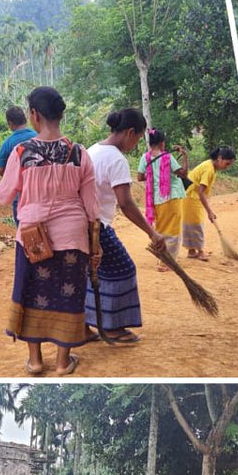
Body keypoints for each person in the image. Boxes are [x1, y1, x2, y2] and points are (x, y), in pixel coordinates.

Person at [0, 86, 100, 376]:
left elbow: (4, 195)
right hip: (72, 235)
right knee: (69, 293)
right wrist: (96, 242)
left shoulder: (22, 152)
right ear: (60, 115)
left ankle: (36, 361)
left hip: (32, 237)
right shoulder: (79, 153)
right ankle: (64, 362)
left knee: (31, 292)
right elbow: (92, 206)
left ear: (34, 115)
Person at [85, 108, 167, 345]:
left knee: (93, 273)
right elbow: (126, 203)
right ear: (130, 132)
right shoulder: (116, 159)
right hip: (99, 226)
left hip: (85, 223)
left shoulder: (93, 150)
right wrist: (151, 232)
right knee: (123, 270)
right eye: (138, 139)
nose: (135, 145)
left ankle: (85, 324)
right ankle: (111, 328)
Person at [137, 127, 188, 267]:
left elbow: (140, 177)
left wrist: (153, 176)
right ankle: (167, 262)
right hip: (171, 197)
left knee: (160, 228)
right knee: (172, 230)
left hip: (155, 199)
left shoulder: (145, 157)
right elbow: (183, 173)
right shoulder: (168, 157)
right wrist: (184, 156)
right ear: (162, 143)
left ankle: (162, 258)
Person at [181, 146, 236, 261]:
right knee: (196, 224)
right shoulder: (209, 169)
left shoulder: (211, 166)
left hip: (190, 196)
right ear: (220, 158)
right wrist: (209, 211)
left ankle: (191, 251)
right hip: (191, 197)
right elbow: (201, 192)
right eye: (227, 164)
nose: (227, 167)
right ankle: (199, 251)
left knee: (191, 223)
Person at [0, 105, 36, 224]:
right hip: (42, 190)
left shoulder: (8, 143)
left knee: (22, 230)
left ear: (10, 123)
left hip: (21, 192)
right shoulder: (38, 136)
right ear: (25, 120)